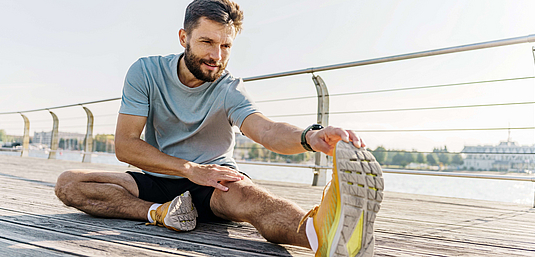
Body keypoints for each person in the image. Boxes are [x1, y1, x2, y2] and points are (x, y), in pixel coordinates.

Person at [54, 0, 384, 256]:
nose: (217, 56)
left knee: (252, 198)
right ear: (184, 37)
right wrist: (188, 170)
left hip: (215, 181)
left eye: (226, 46)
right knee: (70, 184)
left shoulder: (230, 88)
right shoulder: (145, 73)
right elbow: (126, 146)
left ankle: (321, 234)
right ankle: (160, 213)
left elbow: (266, 130)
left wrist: (309, 137)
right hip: (158, 177)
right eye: (207, 42)